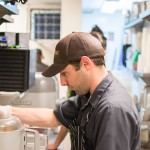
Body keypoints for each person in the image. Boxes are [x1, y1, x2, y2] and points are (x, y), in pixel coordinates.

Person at [0, 32, 140, 150]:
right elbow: (53, 118)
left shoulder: (113, 109)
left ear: (85, 64)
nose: (62, 82)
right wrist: (6, 111)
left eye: (65, 73)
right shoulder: (88, 97)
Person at [48, 25, 107, 149]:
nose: (63, 82)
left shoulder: (110, 106)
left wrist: (55, 144)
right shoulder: (82, 89)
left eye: (65, 73)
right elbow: (65, 116)